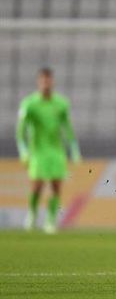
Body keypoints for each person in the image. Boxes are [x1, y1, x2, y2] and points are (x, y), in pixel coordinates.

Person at [16, 67, 81, 234]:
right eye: (43, 80)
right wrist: (23, 151)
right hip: (37, 151)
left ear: (52, 81)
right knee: (37, 186)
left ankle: (50, 221)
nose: (46, 83)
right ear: (39, 82)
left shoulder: (61, 103)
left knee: (56, 186)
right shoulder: (29, 104)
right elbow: (20, 131)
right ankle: (32, 213)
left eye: (48, 80)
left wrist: (74, 149)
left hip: (56, 150)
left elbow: (68, 128)